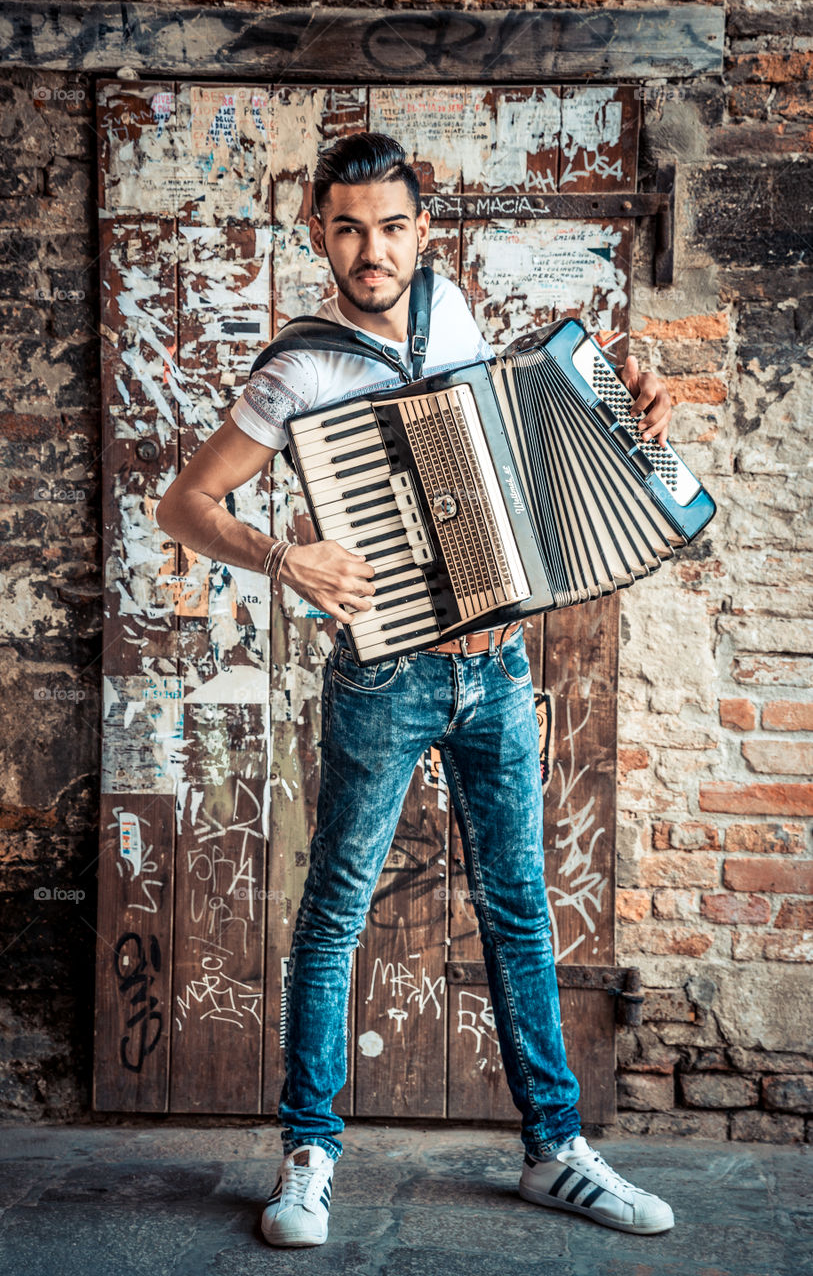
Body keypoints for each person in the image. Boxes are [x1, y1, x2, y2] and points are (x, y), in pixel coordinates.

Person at [155, 132, 675, 1247]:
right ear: (317, 233)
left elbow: (524, 442)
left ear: (423, 230)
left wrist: (628, 406)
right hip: (383, 675)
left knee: (520, 908)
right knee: (336, 911)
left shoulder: (457, 312)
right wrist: (283, 558)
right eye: (347, 229)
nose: (372, 250)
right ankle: (308, 1156)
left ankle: (555, 1150)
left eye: (391, 227)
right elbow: (182, 505)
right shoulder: (297, 370)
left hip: (496, 665)